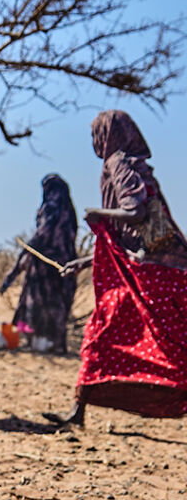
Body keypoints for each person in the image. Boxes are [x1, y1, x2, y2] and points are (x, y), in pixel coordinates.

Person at [46, 110, 187, 426]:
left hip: (149, 274)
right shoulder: (137, 166)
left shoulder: (118, 163)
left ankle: (78, 412)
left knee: (104, 333)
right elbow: (131, 234)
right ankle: (78, 410)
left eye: (97, 133)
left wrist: (96, 213)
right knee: (165, 342)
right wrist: (84, 263)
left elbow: (134, 212)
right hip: (161, 270)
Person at [0, 174, 78, 353]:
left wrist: (25, 253)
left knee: (37, 302)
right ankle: (55, 343)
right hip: (66, 264)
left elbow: (43, 233)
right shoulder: (69, 211)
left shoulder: (50, 208)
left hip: (45, 264)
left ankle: (34, 341)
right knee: (57, 303)